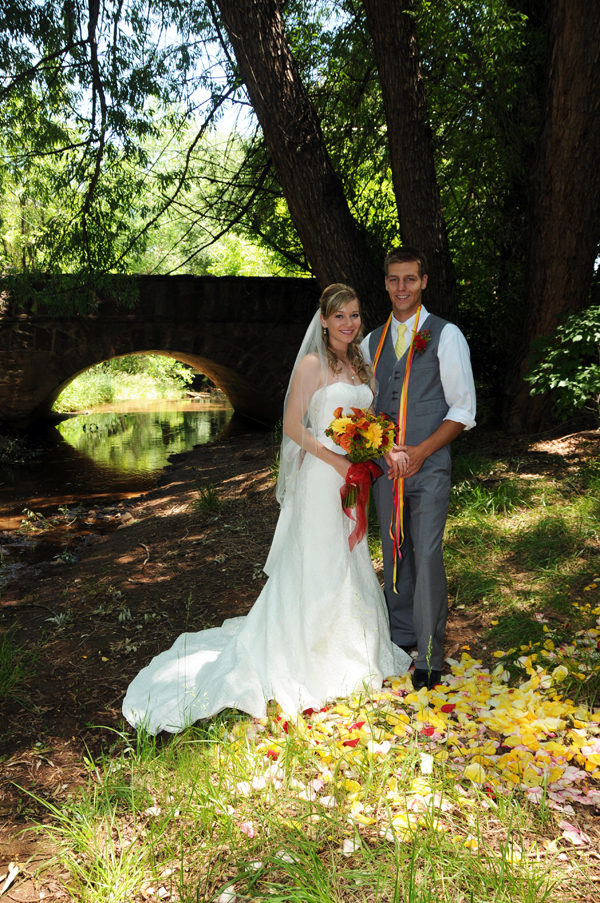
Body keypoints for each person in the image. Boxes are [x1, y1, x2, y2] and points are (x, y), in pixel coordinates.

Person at [123, 284, 411, 734]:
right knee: (319, 561)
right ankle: (305, 656)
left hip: (352, 474)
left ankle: (351, 651)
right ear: (323, 321)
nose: (349, 324)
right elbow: (295, 426)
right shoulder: (313, 364)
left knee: (348, 560)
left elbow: (367, 422)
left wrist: (371, 451)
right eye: (339, 316)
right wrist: (338, 461)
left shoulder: (360, 362)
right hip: (322, 476)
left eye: (354, 315)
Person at [362, 247, 476, 691]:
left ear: (424, 281)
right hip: (386, 470)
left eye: (410, 279)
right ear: (385, 283)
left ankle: (429, 654)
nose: (402, 287)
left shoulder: (446, 335)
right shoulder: (371, 341)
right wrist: (383, 450)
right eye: (394, 279)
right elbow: (365, 409)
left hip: (428, 469)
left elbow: (463, 409)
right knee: (394, 551)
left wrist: (423, 452)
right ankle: (401, 636)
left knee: (426, 554)